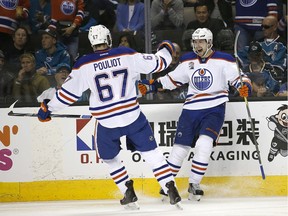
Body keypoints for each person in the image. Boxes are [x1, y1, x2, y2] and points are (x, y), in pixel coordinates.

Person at [37, 24, 182, 209]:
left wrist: (48, 108)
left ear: (91, 42)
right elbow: (159, 63)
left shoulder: (84, 64)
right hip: (132, 116)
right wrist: (166, 48)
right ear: (109, 39)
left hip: (106, 122)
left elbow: (68, 95)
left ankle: (127, 190)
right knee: (153, 154)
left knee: (109, 158)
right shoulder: (126, 54)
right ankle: (170, 187)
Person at [138, 28, 251, 201]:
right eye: (195, 41)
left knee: (204, 145)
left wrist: (245, 87)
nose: (197, 45)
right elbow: (172, 80)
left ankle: (194, 184)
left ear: (209, 42)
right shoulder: (188, 60)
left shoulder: (224, 59)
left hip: (214, 108)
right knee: (178, 151)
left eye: (201, 41)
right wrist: (151, 85)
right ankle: (167, 185)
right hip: (190, 110)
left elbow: (239, 79)